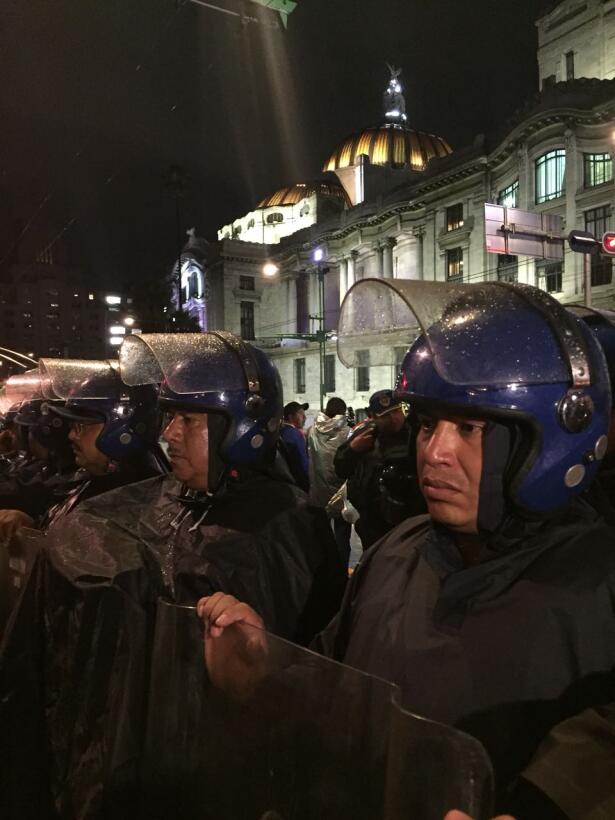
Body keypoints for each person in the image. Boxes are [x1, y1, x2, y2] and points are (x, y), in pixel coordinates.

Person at [198, 283, 615, 817]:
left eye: (468, 428)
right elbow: (337, 679)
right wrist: (266, 672)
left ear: (552, 439)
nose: (434, 452)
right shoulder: (397, 550)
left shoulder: (600, 579)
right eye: (426, 424)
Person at [0, 331, 344, 820]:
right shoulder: (146, 502)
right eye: (170, 418)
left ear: (240, 427)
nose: (169, 435)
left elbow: (314, 681)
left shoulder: (289, 528)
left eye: (188, 420)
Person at [334, 389, 424, 548]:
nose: (394, 418)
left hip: (407, 520)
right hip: (373, 524)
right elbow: (341, 469)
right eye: (386, 416)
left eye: (396, 411)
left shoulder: (415, 434)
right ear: (374, 417)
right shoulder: (365, 435)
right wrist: (353, 451)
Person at [306, 396, 351, 564]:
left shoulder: (312, 431)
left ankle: (322, 575)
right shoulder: (347, 433)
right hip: (341, 493)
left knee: (319, 539)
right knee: (342, 537)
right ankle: (341, 577)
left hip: (317, 492)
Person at [279, 400, 309, 491]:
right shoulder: (295, 435)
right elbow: (303, 464)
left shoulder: (280, 432)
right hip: (297, 485)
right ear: (291, 417)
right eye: (300, 414)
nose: (305, 417)